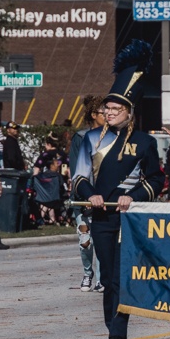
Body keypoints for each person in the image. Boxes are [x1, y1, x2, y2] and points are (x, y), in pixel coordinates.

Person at [73, 40, 165, 339]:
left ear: (129, 111)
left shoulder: (144, 142)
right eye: (107, 109)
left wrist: (134, 196)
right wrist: (92, 196)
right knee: (108, 276)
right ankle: (112, 325)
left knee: (121, 276)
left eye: (116, 109)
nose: (109, 113)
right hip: (101, 217)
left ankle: (118, 333)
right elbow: (80, 177)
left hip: (130, 218)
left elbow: (156, 179)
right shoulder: (88, 140)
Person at [69, 95, 105, 291]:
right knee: (86, 241)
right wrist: (85, 193)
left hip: (104, 198)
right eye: (103, 112)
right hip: (82, 197)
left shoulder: (112, 138)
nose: (107, 115)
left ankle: (101, 279)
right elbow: (76, 170)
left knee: (101, 239)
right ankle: (87, 273)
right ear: (93, 115)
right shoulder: (81, 138)